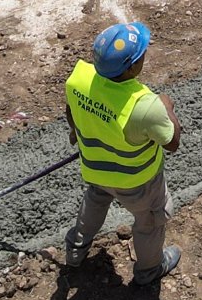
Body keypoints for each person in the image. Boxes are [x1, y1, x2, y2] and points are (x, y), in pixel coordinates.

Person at [63, 21, 184, 285]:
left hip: (95, 169)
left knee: (96, 198)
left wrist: (76, 132)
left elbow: (71, 111)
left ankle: (74, 251)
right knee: (150, 220)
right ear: (131, 67)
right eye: (142, 54)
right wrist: (167, 107)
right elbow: (172, 142)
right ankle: (149, 270)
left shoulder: (79, 78)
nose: (145, 56)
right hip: (138, 182)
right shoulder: (145, 105)